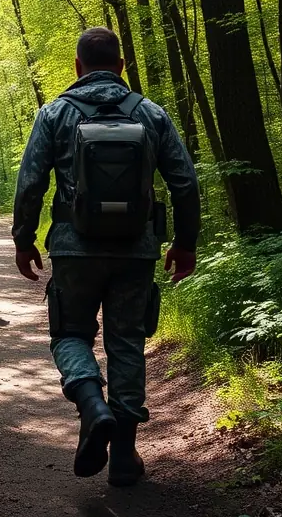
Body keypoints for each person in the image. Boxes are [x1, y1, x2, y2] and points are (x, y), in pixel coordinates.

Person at [12, 27, 200, 486]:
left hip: (74, 248)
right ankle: (124, 455)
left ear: (77, 67)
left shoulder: (55, 113)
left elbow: (31, 181)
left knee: (70, 334)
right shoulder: (151, 113)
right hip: (136, 250)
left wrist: (24, 239)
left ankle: (92, 405)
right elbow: (185, 182)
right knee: (127, 342)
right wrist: (185, 242)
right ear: (121, 66)